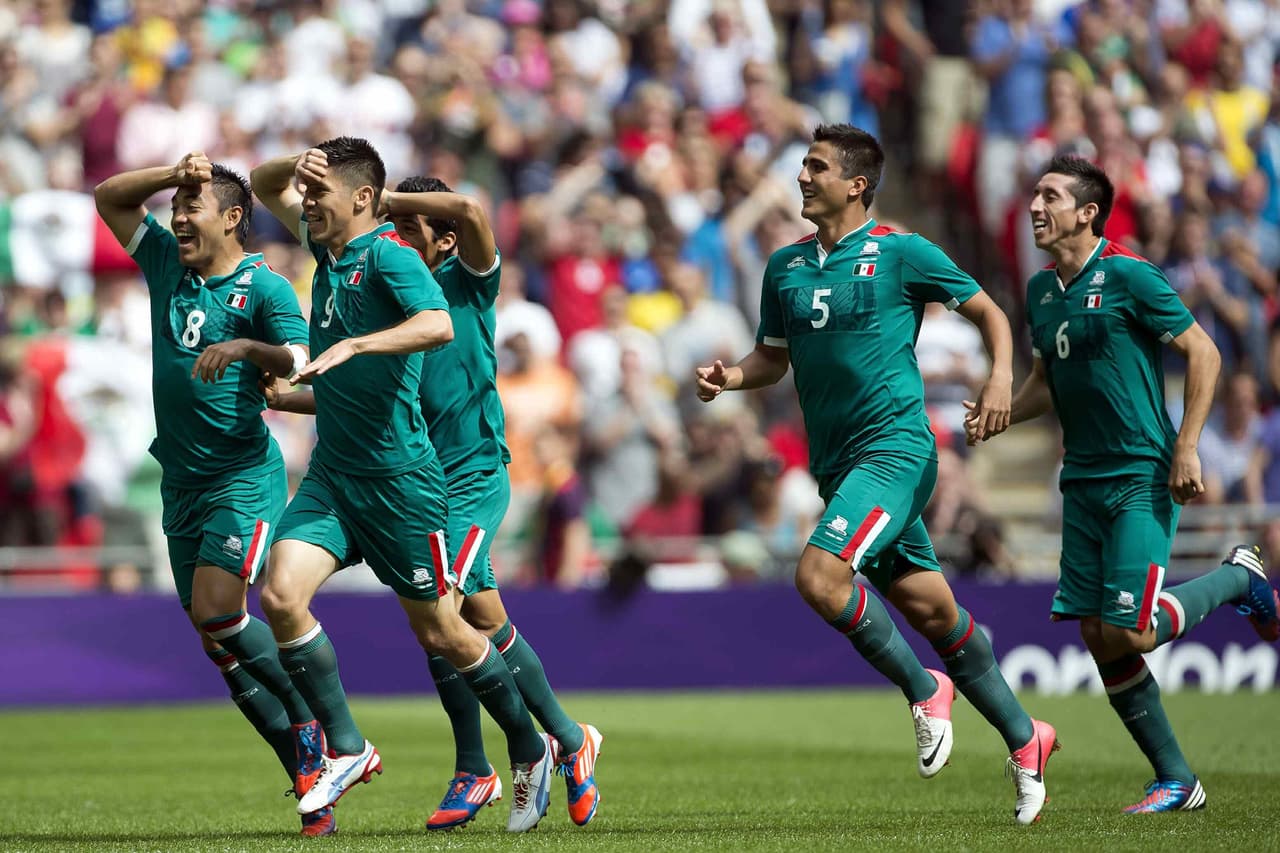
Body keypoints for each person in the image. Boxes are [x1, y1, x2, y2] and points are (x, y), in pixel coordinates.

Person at [695, 124, 1057, 824]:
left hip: (895, 449)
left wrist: (1001, 376)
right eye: (803, 165)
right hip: (840, 468)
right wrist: (730, 376)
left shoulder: (901, 253)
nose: (802, 177)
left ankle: (925, 690)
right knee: (935, 611)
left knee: (819, 576)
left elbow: (987, 310)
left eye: (816, 167)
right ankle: (1026, 737)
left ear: (857, 184)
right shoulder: (786, 267)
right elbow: (774, 358)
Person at [266, 173, 604, 830]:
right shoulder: (381, 287)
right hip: (409, 477)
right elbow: (375, 395)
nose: (396, 234)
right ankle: (566, 735)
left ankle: (483, 762)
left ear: (443, 238)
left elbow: (472, 209)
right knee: (480, 617)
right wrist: (295, 393)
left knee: (443, 612)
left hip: (470, 474)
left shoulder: (468, 278)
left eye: (410, 226)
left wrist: (382, 201)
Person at [977, 154, 1279, 813]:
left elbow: (1205, 351)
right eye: (1033, 193)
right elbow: (1044, 381)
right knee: (1097, 633)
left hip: (1141, 471)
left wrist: (1189, 445)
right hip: (1081, 482)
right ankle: (1177, 779)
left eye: (1050, 195)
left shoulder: (1131, 275)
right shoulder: (1040, 290)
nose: (1034, 205)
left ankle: (1238, 577)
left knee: (1132, 630)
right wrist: (999, 411)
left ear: (1087, 213)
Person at [93, 153, 332, 837]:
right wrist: (172, 172)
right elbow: (110, 198)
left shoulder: (266, 286)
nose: (176, 218)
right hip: (181, 481)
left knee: (219, 612)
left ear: (233, 217)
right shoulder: (169, 263)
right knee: (216, 641)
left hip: (240, 476)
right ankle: (309, 775)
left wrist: (247, 348)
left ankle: (316, 720)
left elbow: (297, 360)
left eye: (190, 207)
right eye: (174, 208)